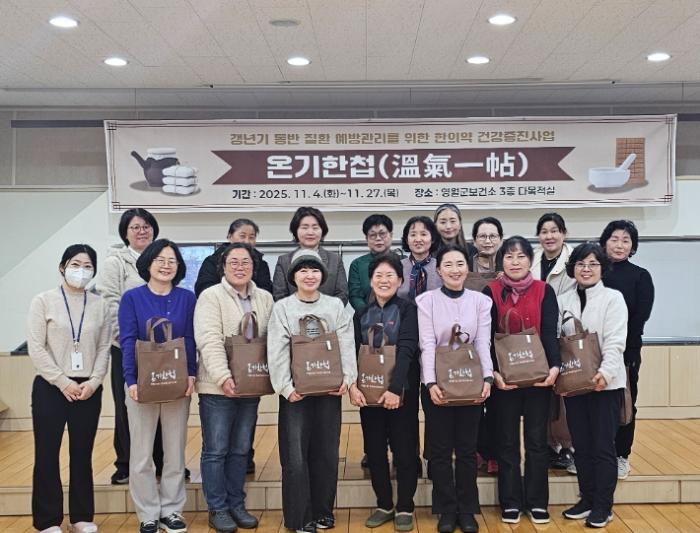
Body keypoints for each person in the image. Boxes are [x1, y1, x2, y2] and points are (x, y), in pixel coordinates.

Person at [267, 249, 358, 533]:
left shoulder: (335, 306)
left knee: (327, 452)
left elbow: (346, 342)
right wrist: (285, 386)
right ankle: (299, 517)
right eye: (303, 270)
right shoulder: (283, 308)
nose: (310, 275)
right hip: (296, 394)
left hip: (329, 391)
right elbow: (276, 349)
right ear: (293, 277)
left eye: (315, 270)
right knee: (295, 456)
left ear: (323, 275)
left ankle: (323, 511)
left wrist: (348, 377)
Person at [27, 244, 110, 533]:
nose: (81, 271)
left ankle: (81, 517)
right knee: (47, 454)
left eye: (88, 266)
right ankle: (47, 520)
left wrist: (94, 381)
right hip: (51, 387)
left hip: (88, 389)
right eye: (75, 264)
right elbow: (36, 348)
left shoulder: (100, 304)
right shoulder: (43, 301)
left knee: (82, 454)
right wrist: (62, 382)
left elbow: (104, 347)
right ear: (62, 267)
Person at [119, 239, 197, 533]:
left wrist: (191, 374)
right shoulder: (132, 298)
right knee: (141, 453)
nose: (166, 265)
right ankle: (148, 513)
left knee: (175, 451)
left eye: (172, 260)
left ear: (179, 266)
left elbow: (190, 338)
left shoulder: (187, 298)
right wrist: (131, 380)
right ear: (148, 263)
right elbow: (128, 340)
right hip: (143, 383)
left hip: (178, 383)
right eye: (160, 260)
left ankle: (172, 510)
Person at [194, 242, 274, 532]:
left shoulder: (265, 297)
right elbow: (209, 339)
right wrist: (223, 377)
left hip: (250, 385)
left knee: (241, 449)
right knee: (216, 450)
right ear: (223, 267)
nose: (240, 267)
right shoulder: (211, 296)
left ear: (254, 267)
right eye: (234, 262)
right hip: (217, 388)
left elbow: (270, 340)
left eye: (246, 262)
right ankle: (218, 508)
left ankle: (236, 504)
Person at [483, 236, 561, 525]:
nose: (515, 262)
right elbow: (486, 337)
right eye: (509, 256)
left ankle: (537, 502)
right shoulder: (490, 291)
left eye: (521, 256)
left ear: (530, 260)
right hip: (505, 380)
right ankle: (511, 502)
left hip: (539, 379)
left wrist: (555, 368)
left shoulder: (544, 290)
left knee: (537, 442)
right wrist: (494, 373)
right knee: (506, 442)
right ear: (501, 261)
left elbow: (550, 332)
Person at [417, 244, 493, 533]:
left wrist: (487, 377)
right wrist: (430, 383)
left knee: (466, 450)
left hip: (470, 381)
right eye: (448, 265)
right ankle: (446, 510)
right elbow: (427, 344)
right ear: (438, 270)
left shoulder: (480, 301)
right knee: (439, 451)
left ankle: (468, 509)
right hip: (437, 384)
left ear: (467, 268)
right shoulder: (426, 301)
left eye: (460, 264)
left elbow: (483, 342)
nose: (454, 270)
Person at [95, 208, 169, 485]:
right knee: (127, 406)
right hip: (127, 347)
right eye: (135, 227)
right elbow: (110, 304)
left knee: (163, 403)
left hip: (160, 348)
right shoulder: (115, 262)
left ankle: (162, 461)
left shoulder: (162, 259)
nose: (142, 231)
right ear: (125, 233)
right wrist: (128, 342)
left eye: (146, 226)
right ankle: (125, 463)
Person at [559, 242, 628, 529]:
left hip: (604, 386)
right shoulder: (563, 299)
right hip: (574, 384)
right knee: (581, 445)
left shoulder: (613, 298)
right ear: (572, 268)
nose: (586, 269)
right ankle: (586, 499)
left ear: (602, 268)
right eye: (580, 264)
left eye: (593, 264)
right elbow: (559, 341)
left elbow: (616, 341)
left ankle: (603, 506)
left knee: (602, 446)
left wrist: (605, 373)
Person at [350, 253, 420, 531]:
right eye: (378, 275)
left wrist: (395, 389)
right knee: (375, 451)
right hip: (369, 393)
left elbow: (407, 349)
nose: (384, 280)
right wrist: (353, 386)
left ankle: (405, 506)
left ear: (400, 280)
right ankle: (384, 504)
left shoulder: (408, 309)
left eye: (390, 275)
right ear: (370, 281)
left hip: (402, 392)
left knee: (405, 451)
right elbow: (353, 353)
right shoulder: (360, 314)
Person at [599, 220, 655, 480]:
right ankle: (592, 453)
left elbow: (639, 318)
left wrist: (622, 351)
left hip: (625, 351)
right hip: (591, 351)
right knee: (592, 405)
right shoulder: (593, 271)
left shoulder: (640, 276)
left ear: (632, 246)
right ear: (605, 242)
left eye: (625, 240)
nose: (619, 245)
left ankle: (621, 455)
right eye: (614, 239)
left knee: (624, 404)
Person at [530, 213, 576, 473]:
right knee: (543, 393)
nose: (549, 236)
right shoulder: (531, 259)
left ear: (563, 233)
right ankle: (549, 445)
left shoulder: (574, 260)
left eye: (554, 230)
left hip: (565, 334)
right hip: (537, 336)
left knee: (564, 392)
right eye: (544, 231)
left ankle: (568, 446)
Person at [272, 207, 348, 304]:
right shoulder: (284, 261)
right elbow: (279, 296)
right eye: (305, 227)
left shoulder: (335, 260)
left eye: (315, 228)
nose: (310, 232)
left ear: (322, 231)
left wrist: (325, 311)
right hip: (292, 313)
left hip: (329, 313)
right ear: (295, 231)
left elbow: (342, 294)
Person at [194, 218, 273, 297]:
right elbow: (204, 289)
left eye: (251, 237)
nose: (247, 241)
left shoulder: (261, 264)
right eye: (242, 236)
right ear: (230, 237)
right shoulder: (212, 261)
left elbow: (266, 292)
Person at [348, 214, 394, 312]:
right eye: (373, 235)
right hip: (365, 316)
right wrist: (369, 314)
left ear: (391, 235)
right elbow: (355, 296)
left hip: (399, 316)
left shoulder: (402, 261)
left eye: (382, 234)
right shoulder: (358, 264)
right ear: (367, 239)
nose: (378, 238)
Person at [397, 216, 442, 301]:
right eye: (413, 235)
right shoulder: (397, 267)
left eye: (423, 234)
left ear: (432, 239)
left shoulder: (441, 267)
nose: (418, 239)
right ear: (407, 240)